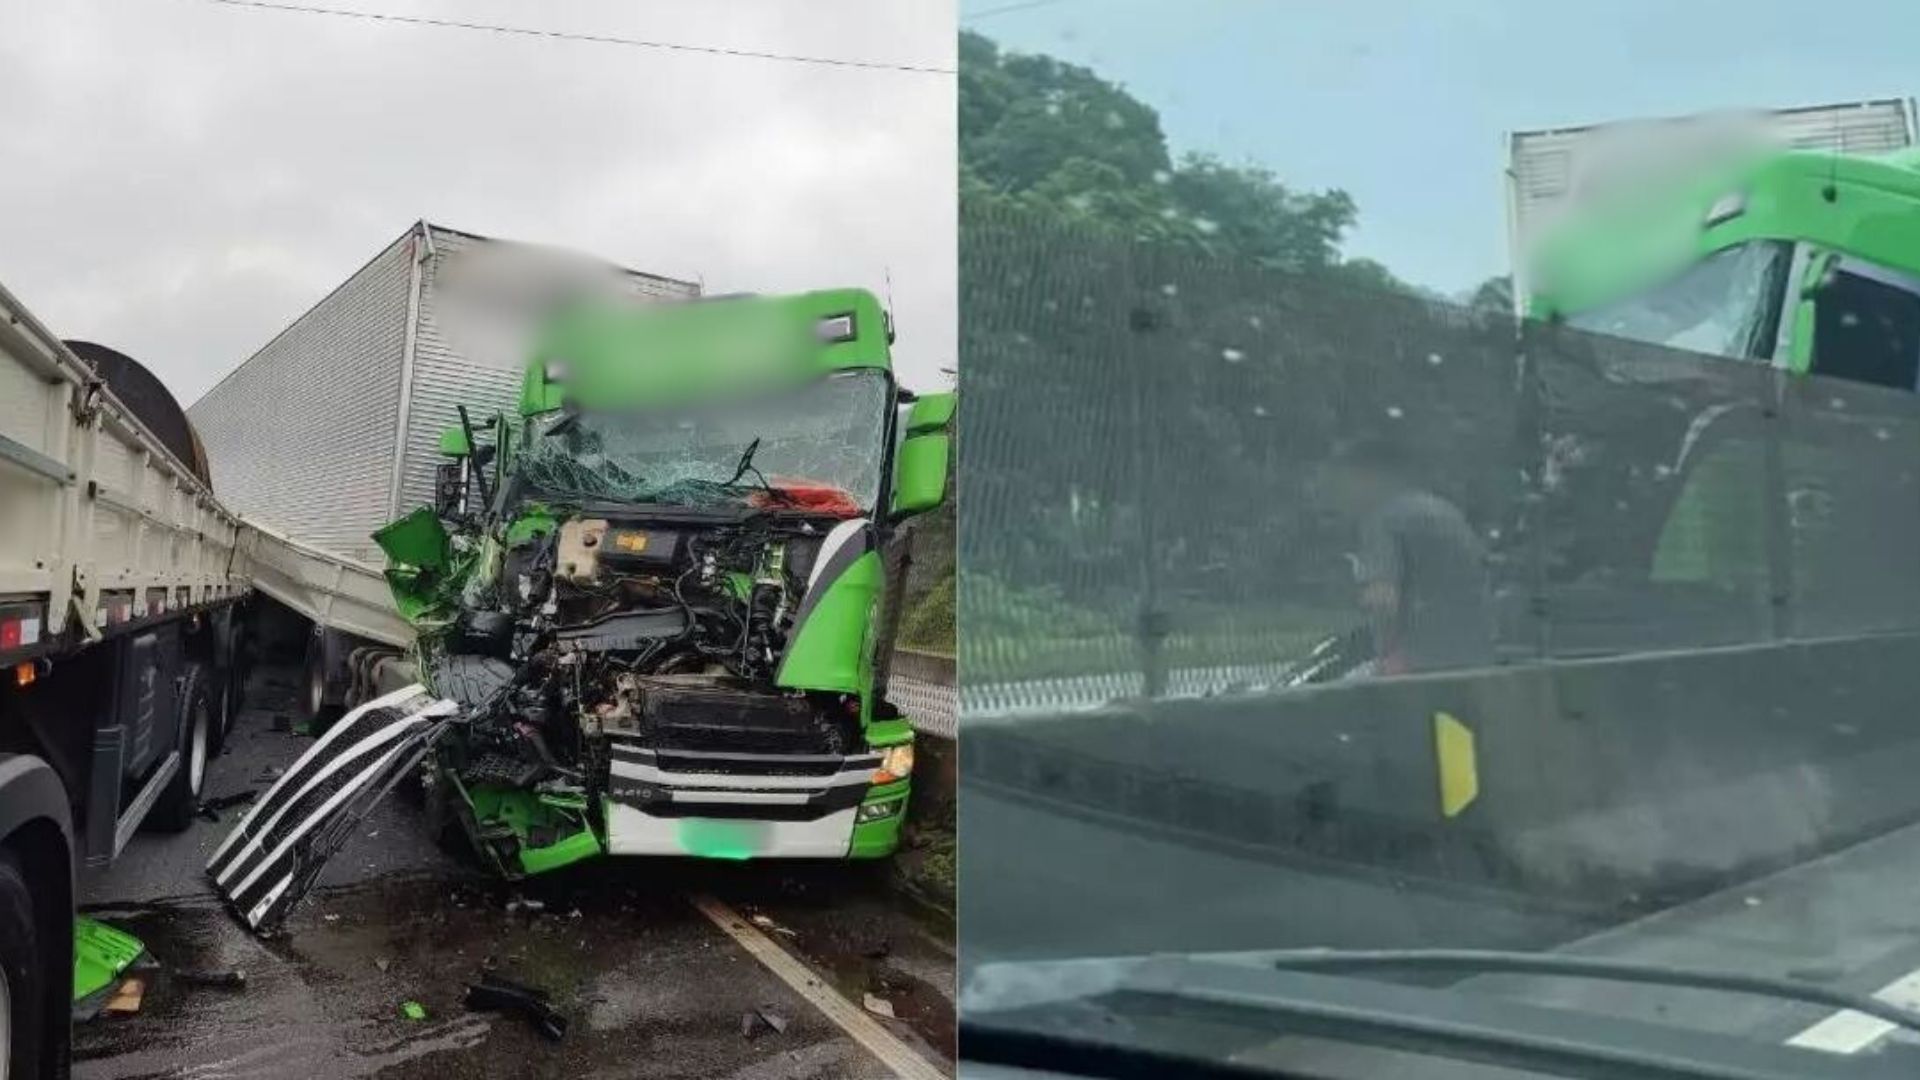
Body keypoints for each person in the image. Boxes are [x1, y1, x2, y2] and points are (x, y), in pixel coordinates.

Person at [1321, 435, 1494, 676]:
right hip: (1475, 663)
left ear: (1370, 477)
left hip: (1417, 668)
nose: (1342, 492)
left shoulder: (1382, 520)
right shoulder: (1444, 512)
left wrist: (1390, 656)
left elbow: (1382, 601)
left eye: (1346, 481)